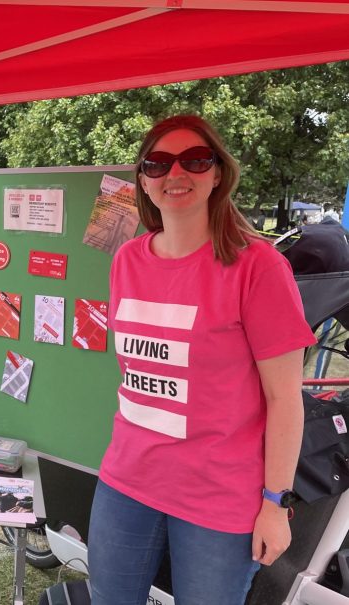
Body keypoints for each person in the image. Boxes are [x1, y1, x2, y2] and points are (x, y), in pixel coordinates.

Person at [88, 115, 317, 605]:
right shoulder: (127, 259)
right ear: (144, 183)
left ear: (218, 174)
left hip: (219, 498)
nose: (176, 174)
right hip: (127, 481)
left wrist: (276, 504)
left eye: (195, 160)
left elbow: (284, 399)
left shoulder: (258, 267)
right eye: (158, 163)